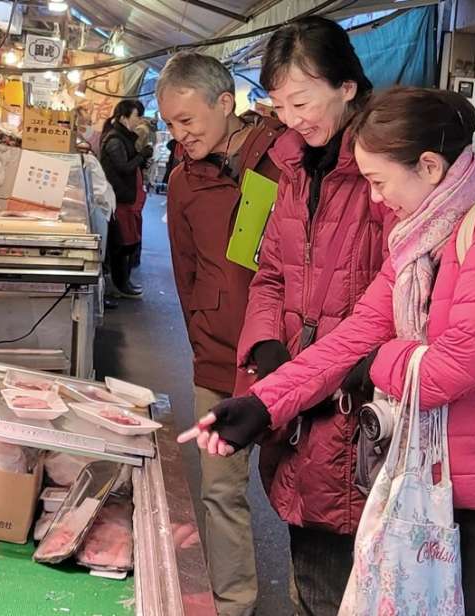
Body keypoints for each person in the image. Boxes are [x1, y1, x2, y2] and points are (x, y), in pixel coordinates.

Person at [180, 86, 475, 616]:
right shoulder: (420, 236)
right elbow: (355, 334)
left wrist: (377, 364)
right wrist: (263, 403)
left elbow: (459, 364)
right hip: (438, 485)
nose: (374, 198)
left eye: (378, 181)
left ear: (429, 166)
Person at [218, 18, 392, 616]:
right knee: (311, 572)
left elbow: (403, 299)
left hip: (358, 403)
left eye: (302, 100)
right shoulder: (290, 167)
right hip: (297, 403)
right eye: (280, 103)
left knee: (361, 583)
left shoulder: (381, 170)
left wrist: (344, 372)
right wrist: (268, 350)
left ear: (347, 86)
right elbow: (269, 271)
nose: (292, 117)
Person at [155, 51, 285, 616]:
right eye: (170, 126)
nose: (180, 135)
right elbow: (184, 273)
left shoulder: (283, 162)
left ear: (226, 105)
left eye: (188, 122)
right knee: (220, 491)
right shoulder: (184, 180)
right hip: (217, 361)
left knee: (307, 494)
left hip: (287, 360)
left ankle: (321, 600)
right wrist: (204, 336)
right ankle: (234, 603)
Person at [98, 100, 151, 299]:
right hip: (117, 198)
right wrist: (142, 155)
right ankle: (119, 286)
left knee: (124, 243)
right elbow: (124, 167)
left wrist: (141, 158)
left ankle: (121, 284)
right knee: (120, 245)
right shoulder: (115, 139)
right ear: (123, 117)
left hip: (124, 197)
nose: (139, 120)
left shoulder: (124, 137)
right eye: (137, 115)